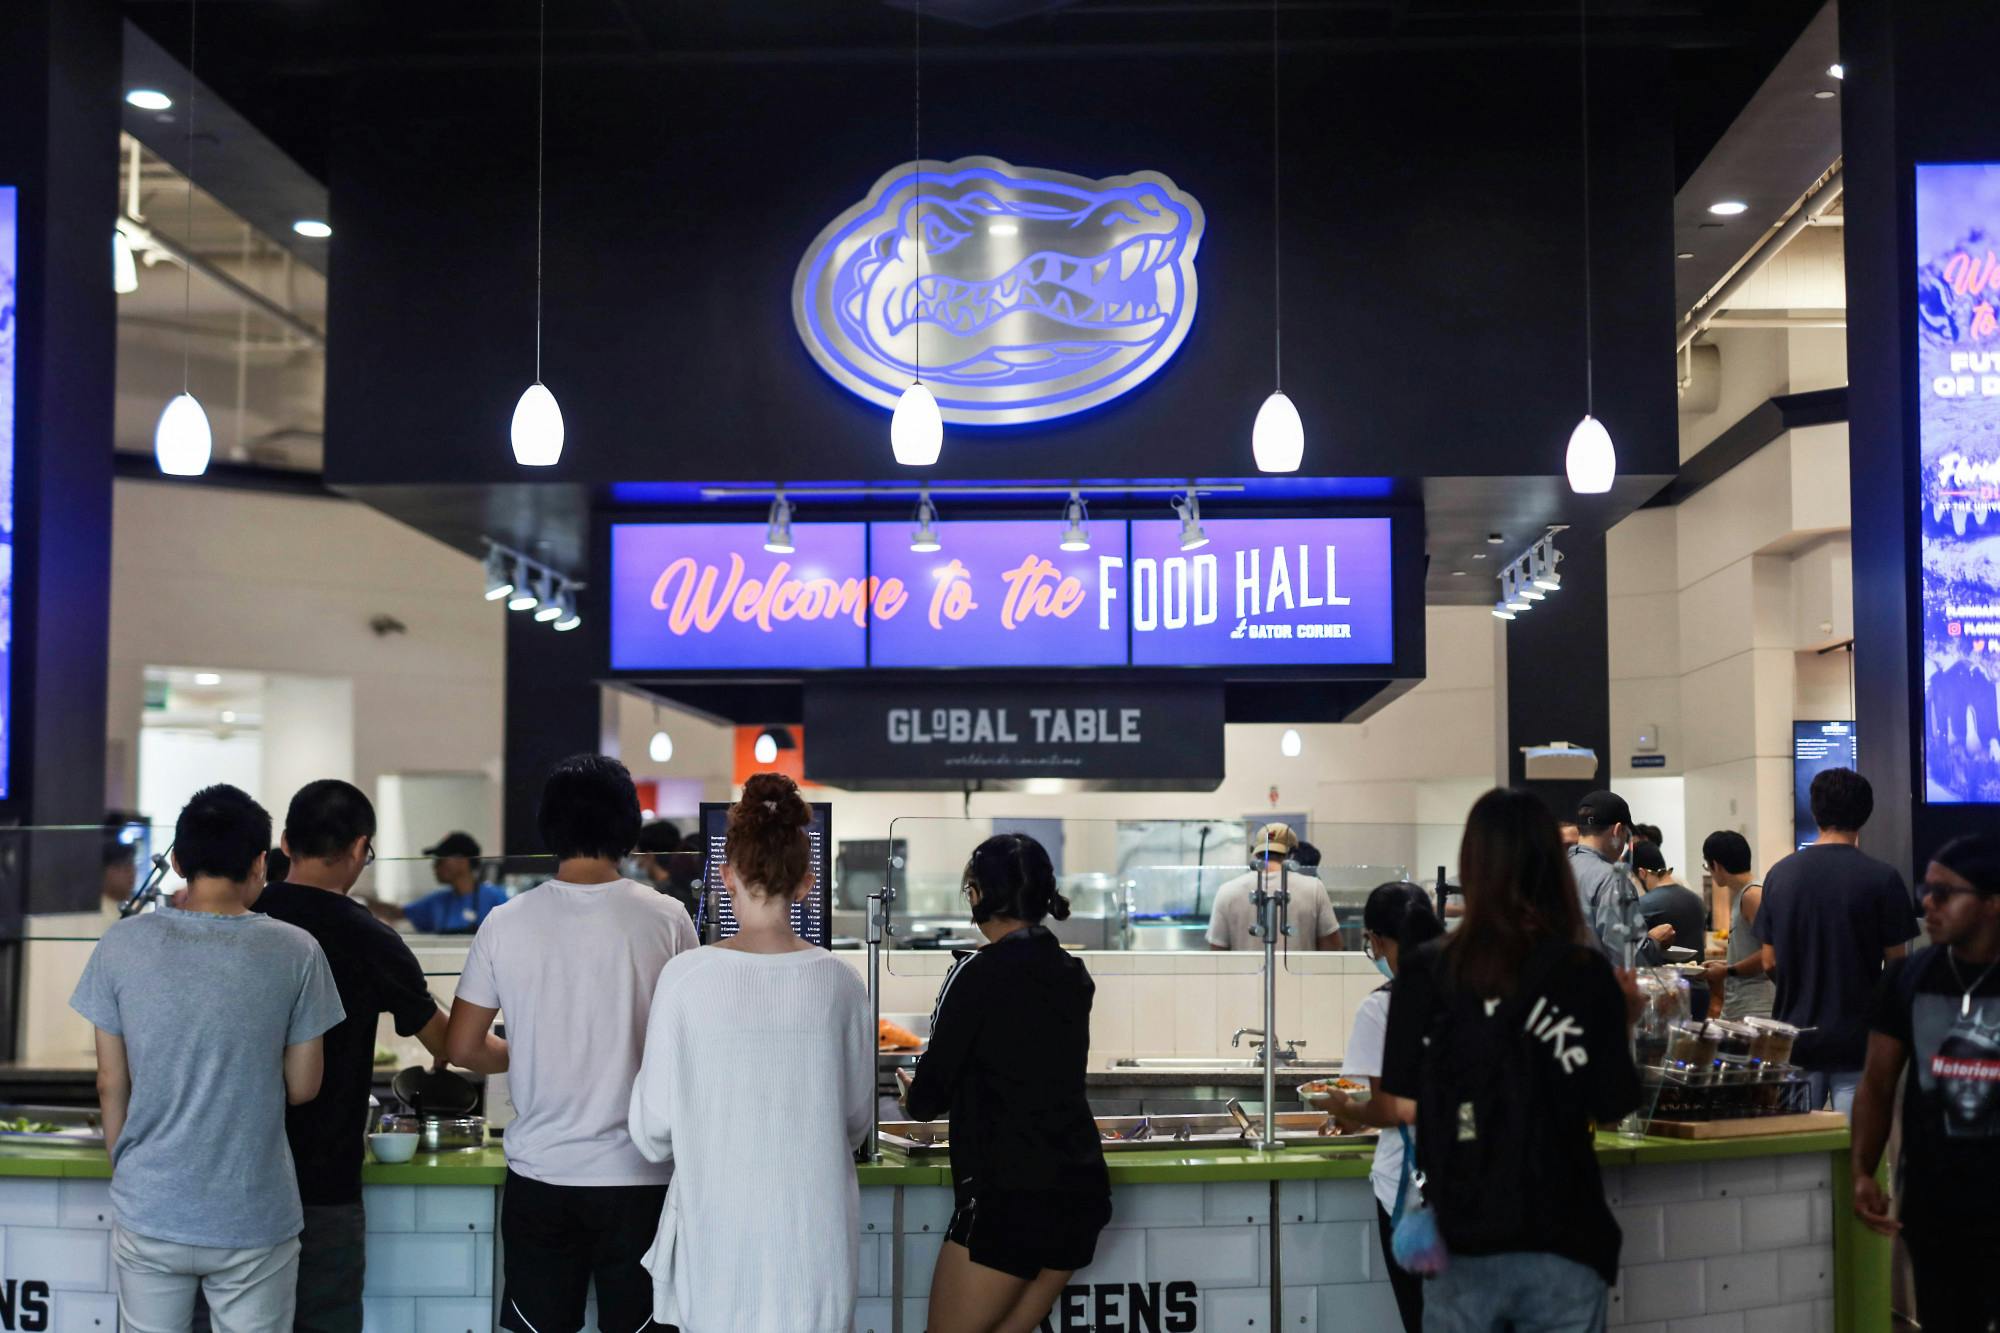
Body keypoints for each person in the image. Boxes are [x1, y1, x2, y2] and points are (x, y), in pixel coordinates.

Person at [70, 785, 345, 1333]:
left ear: (176, 861)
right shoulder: (296, 949)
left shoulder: (121, 944)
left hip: (152, 1203)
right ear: (261, 862)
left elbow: (109, 1081)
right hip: (252, 1210)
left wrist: (128, 1167)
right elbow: (302, 1087)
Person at [447, 756, 697, 1333]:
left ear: (548, 827)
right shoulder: (667, 920)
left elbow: (462, 1045)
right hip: (642, 1179)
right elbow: (688, 1041)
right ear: (627, 827)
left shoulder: (505, 922)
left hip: (542, 1179)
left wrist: (519, 1052)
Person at [1382, 788, 1643, 1333]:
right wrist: (1621, 1021)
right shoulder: (1583, 972)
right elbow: (1614, 1103)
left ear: (1469, 866)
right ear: (1551, 866)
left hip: (1460, 1239)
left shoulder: (1426, 971)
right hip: (1564, 1234)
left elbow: (1399, 1094)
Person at [629, 774, 872, 1333]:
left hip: (719, 1253)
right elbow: (856, 1124)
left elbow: (650, 1131)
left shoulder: (686, 979)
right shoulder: (839, 983)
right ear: (810, 883)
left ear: (724, 875)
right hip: (816, 1255)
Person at [251, 780, 480, 1333]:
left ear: (285, 842)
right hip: (322, 1183)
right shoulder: (369, 938)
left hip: (234, 1179)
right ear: (359, 849)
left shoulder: (245, 915)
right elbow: (449, 1045)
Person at [898, 833, 1113, 1333]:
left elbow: (928, 1099)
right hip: (1079, 1194)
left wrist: (912, 1090)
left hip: (1008, 1201)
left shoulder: (975, 973)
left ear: (976, 894)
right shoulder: (1072, 972)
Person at [1852, 834, 2000, 1333]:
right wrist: (1863, 1170)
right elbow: (1877, 1083)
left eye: (1945, 893)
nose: (1928, 905)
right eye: (1926, 890)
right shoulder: (1907, 978)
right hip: (1936, 1202)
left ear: (1992, 903)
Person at [1755, 768, 1919, 1115]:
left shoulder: (1779, 876)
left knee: (1794, 1153)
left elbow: (1768, 962)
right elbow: (1898, 968)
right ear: (1865, 814)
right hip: (1858, 1041)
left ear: (1814, 812)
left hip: (1793, 1038)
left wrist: (1801, 987)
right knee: (1855, 1148)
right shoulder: (1883, 878)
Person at [1321, 882, 1446, 1333]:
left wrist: (1343, 1108)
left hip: (1413, 1192)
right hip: (1481, 1179)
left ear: (1373, 939)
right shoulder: (1475, 988)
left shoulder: (1382, 1007)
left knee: (1423, 1320)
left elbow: (1386, 1106)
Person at [1205, 823, 1339, 951]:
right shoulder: (1314, 888)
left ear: (1256, 854)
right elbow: (1332, 947)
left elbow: (1217, 951)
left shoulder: (1227, 891)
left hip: (1245, 974)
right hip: (1297, 974)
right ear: (1292, 854)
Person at [369, 832, 508, 934]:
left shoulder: (495, 899)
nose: (435, 866)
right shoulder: (438, 901)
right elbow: (399, 913)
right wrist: (365, 902)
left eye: (441, 860)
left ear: (463, 861)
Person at [1699, 831, 1773, 1021]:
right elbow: (1752, 950)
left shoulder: (1752, 895)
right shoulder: (1743, 894)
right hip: (1743, 1006)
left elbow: (1772, 953)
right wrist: (1726, 964)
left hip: (1756, 1009)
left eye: (1708, 866)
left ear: (1716, 865)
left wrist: (1727, 970)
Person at [1569, 790, 1642, 958]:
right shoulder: (1613, 879)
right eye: (1626, 834)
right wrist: (1654, 942)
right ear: (1617, 830)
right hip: (1598, 981)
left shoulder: (1556, 869)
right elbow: (1625, 954)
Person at [633, 819, 698, 916]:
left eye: (639, 856)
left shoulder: (661, 896)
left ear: (649, 856)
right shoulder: (687, 887)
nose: (638, 864)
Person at [99, 811, 144, 918]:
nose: (131, 872)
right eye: (120, 866)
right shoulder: (91, 913)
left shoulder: (141, 911)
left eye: (132, 864)